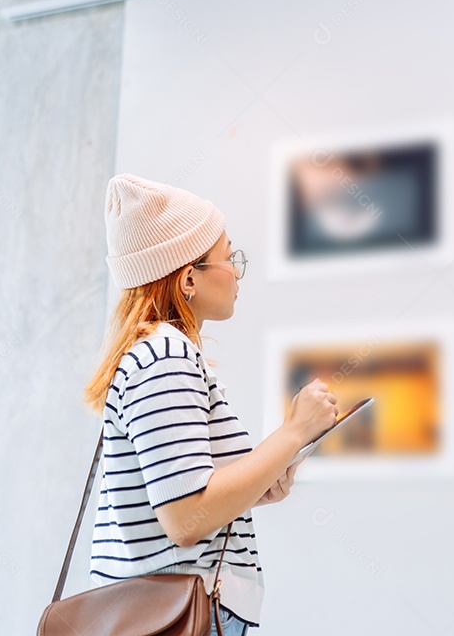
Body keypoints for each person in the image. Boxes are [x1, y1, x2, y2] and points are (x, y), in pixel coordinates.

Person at [82, 173, 337, 635]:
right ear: (188, 279)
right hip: (176, 614)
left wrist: (259, 484)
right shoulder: (165, 357)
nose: (237, 271)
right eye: (228, 256)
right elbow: (183, 519)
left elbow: (186, 496)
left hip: (170, 611)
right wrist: (292, 433)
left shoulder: (160, 355)